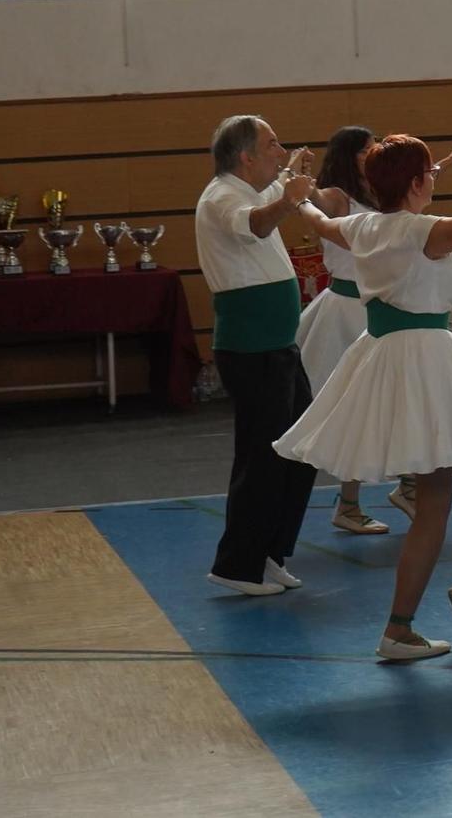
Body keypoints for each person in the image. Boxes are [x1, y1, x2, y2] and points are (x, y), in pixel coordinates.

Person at [277, 135, 452, 661]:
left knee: (450, 487)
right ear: (417, 182)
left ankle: (421, 614)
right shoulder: (425, 231)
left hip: (384, 352)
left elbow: (317, 223)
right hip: (429, 356)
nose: (434, 180)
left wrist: (293, 192)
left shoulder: (362, 225)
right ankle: (450, 594)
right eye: (430, 174)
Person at [191, 116, 320, 597]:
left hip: (279, 345)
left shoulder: (252, 189)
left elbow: (270, 199)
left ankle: (269, 553)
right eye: (272, 145)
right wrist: (289, 195)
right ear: (245, 156)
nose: (280, 150)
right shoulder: (222, 197)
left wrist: (290, 177)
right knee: (262, 457)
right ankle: (237, 564)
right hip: (252, 348)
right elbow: (258, 225)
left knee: (301, 448)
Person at [287, 126, 390, 535]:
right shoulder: (336, 195)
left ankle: (363, 499)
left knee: (380, 404)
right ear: (349, 155)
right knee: (346, 409)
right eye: (367, 150)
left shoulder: (381, 192)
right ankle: (345, 504)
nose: (374, 153)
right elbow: (311, 199)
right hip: (345, 313)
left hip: (379, 310)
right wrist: (299, 177)